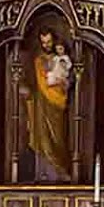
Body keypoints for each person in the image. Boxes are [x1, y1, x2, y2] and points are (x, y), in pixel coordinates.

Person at [28, 29, 73, 180]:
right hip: (42, 103)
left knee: (58, 137)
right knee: (43, 137)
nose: (46, 45)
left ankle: (61, 170)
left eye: (49, 42)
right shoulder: (39, 61)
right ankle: (45, 173)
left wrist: (63, 84)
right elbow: (43, 83)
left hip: (58, 104)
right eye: (43, 42)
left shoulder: (60, 59)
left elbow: (66, 81)